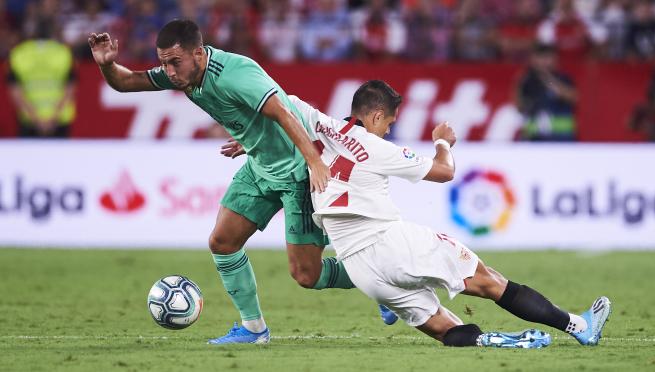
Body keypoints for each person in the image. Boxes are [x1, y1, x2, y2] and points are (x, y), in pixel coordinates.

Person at [88, 19, 356, 345]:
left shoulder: (235, 74)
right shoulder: (185, 76)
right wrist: (107, 65)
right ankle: (254, 329)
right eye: (163, 63)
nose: (169, 71)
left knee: (306, 275)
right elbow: (127, 82)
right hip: (260, 165)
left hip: (297, 170)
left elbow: (284, 112)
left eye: (175, 62)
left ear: (198, 53)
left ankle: (379, 279)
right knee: (223, 243)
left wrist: (314, 162)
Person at [290, 80, 611, 347]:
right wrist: (443, 143)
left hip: (360, 269)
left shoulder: (319, 126)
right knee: (490, 282)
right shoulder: (379, 148)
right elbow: (444, 171)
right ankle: (579, 326)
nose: (388, 130)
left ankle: (492, 341)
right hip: (391, 243)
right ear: (375, 116)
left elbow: (276, 102)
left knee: (444, 328)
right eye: (389, 122)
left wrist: (251, 140)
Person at [8, 21, 76, 138]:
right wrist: (53, 119)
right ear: (53, 33)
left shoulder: (18, 54)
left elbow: (16, 93)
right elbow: (70, 90)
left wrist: (36, 120)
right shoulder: (64, 52)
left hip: (29, 122)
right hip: (59, 122)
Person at [515, 43, 577, 141]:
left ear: (555, 59)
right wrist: (519, 83)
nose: (543, 61)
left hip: (560, 138)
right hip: (534, 138)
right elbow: (519, 106)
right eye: (539, 57)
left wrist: (547, 79)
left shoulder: (563, 79)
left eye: (546, 57)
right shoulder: (527, 81)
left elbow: (572, 97)